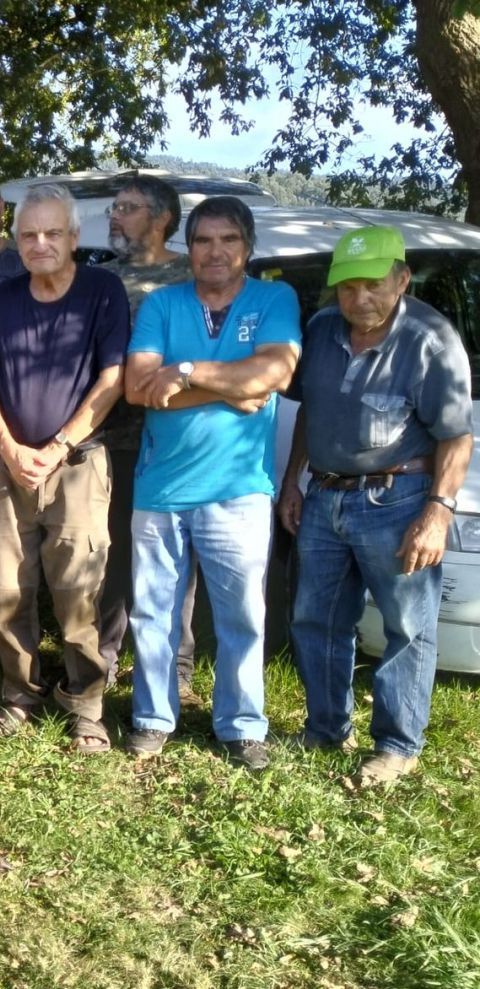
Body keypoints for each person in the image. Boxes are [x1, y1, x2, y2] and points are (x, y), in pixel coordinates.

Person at [280, 226, 472, 786]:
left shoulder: (430, 340)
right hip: (325, 496)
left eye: (372, 285)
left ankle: (396, 744)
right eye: (346, 288)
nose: (358, 299)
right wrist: (294, 480)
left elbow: (456, 437)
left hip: (400, 499)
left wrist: (437, 513)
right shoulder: (320, 331)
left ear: (402, 279)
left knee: (406, 626)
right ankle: (324, 728)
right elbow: (310, 412)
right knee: (317, 619)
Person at [122, 196, 301, 771]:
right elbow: (137, 387)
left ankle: (242, 725)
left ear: (247, 247)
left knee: (242, 615)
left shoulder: (274, 298)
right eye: (203, 240)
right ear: (189, 247)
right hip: (161, 488)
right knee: (153, 613)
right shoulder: (162, 304)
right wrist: (236, 386)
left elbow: (276, 371)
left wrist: (189, 371)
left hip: (238, 489)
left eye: (228, 240)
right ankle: (152, 717)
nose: (215, 251)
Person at [0, 183, 129, 755]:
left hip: (79, 464)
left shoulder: (102, 292)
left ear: (74, 237)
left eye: (52, 233)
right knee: (8, 587)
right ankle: (19, 696)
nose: (40, 244)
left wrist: (58, 445)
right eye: (30, 234)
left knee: (78, 589)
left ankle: (86, 705)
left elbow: (112, 381)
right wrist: (12, 450)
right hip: (7, 464)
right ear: (17, 240)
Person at [95, 174, 199, 699]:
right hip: (109, 442)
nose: (115, 216)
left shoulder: (191, 278)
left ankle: (172, 670)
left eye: (128, 207)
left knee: (172, 559)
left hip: (174, 442)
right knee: (109, 558)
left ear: (162, 219)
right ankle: (102, 665)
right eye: (114, 207)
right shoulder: (102, 281)